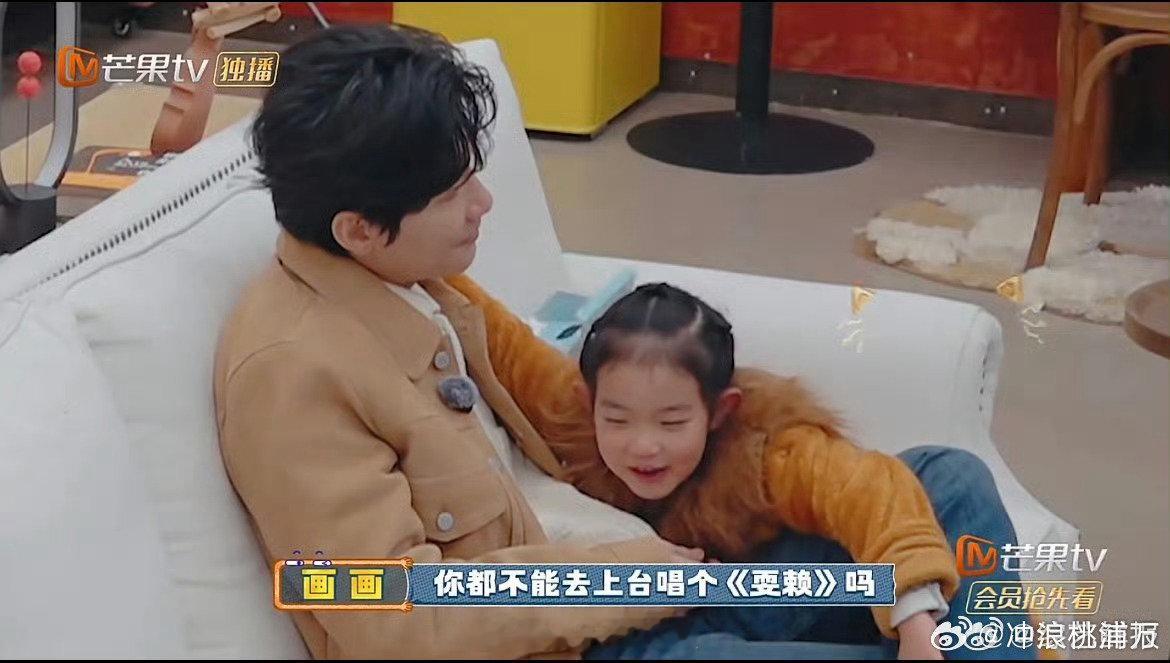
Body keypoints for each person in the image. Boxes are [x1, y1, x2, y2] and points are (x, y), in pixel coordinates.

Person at [214, 24, 706, 659]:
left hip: (623, 579)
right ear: (359, 230)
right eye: (453, 193)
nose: (484, 202)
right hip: (576, 628)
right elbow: (400, 618)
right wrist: (620, 578)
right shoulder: (293, 376)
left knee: (827, 563)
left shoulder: (413, 284)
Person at [446, 278, 1038, 660]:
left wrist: (913, 617)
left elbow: (863, 489)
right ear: (589, 403)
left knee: (948, 474)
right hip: (647, 627)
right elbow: (495, 332)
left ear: (719, 411)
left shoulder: (764, 446)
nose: (643, 447)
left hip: (764, 586)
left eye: (672, 422)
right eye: (618, 420)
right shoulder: (569, 416)